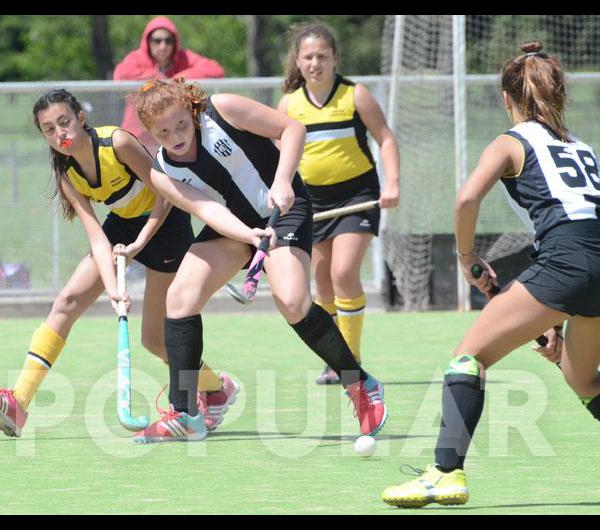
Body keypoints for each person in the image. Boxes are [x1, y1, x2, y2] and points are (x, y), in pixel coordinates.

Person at [382, 41, 600, 508]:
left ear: (507, 98)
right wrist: (553, 320)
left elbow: (465, 200)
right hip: (590, 264)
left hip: (566, 264)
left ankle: (444, 472)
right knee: (583, 381)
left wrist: (466, 258)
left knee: (468, 358)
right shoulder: (581, 147)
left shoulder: (511, 140)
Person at [130, 78, 388, 443]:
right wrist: (247, 236)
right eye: (164, 131)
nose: (176, 136)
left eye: (182, 124)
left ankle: (360, 386)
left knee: (293, 301)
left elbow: (292, 128)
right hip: (236, 224)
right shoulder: (162, 172)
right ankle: (185, 413)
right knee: (180, 297)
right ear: (151, 132)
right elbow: (205, 208)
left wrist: (283, 180)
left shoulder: (223, 109)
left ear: (191, 110)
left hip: (284, 207)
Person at [0, 89, 236, 438]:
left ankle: (216, 389)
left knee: (156, 341)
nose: (59, 134)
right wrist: (113, 291)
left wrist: (141, 242)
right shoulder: (67, 173)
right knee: (66, 301)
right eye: (49, 130)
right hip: (121, 226)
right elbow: (96, 235)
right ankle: (19, 402)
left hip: (166, 226)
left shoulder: (118, 144)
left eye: (64, 122)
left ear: (80, 118)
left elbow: (166, 191)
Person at [276, 24, 400, 385]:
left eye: (322, 56)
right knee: (322, 280)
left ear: (335, 59)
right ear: (297, 62)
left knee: (344, 273)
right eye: (308, 57)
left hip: (357, 196)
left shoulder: (355, 96)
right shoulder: (289, 104)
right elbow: (276, 154)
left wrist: (392, 181)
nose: (315, 63)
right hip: (311, 201)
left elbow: (386, 139)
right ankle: (333, 359)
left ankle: (351, 359)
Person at [113, 16, 224, 155]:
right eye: (157, 40)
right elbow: (120, 74)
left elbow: (215, 70)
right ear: (147, 41)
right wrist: (160, 79)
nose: (163, 46)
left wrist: (175, 80)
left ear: (175, 42)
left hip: (176, 138)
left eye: (168, 40)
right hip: (140, 138)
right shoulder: (137, 58)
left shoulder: (184, 58)